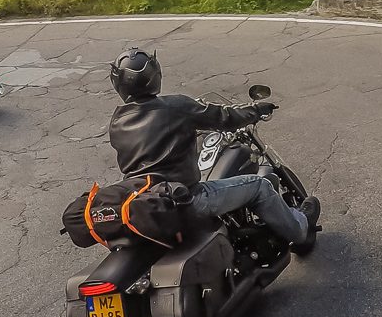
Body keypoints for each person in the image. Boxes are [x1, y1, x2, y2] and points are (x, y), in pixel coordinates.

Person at [108, 47, 320, 250]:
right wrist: (256, 110)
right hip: (187, 198)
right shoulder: (176, 107)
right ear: (154, 76)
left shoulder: (117, 122)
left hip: (148, 203)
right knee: (259, 186)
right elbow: (226, 118)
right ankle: (300, 229)